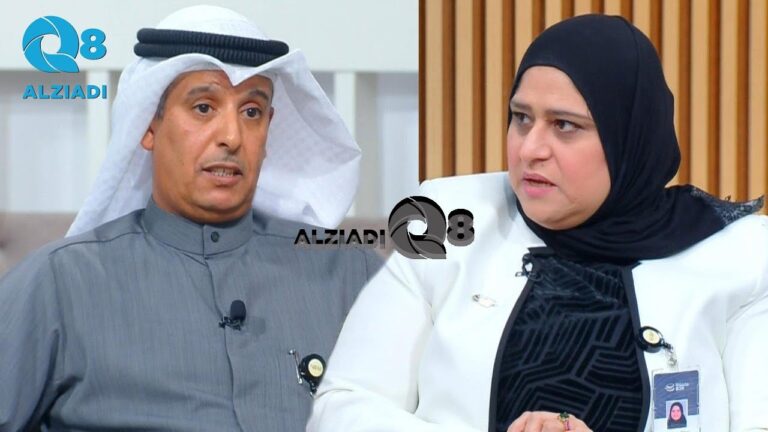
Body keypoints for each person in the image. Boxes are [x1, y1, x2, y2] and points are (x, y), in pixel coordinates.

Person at [307, 14, 767, 432]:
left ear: (628, 136)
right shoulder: (445, 221)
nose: (530, 149)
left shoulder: (742, 259)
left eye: (565, 125)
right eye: (521, 118)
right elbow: (342, 408)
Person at [0, 6, 381, 431]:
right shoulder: (60, 285)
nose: (232, 136)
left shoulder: (352, 276)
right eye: (203, 107)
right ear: (148, 125)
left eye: (251, 112)